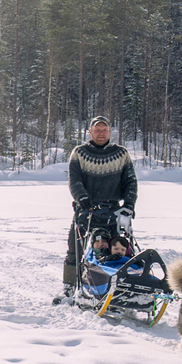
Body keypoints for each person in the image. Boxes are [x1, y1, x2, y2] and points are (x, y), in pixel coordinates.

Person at [54, 115, 138, 304]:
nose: (101, 133)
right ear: (90, 132)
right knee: (75, 250)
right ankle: (69, 287)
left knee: (118, 250)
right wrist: (81, 197)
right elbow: (74, 180)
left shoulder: (121, 153)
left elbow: (131, 181)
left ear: (110, 132)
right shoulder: (80, 153)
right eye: (97, 130)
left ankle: (116, 288)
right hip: (86, 210)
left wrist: (129, 205)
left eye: (105, 130)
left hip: (113, 212)